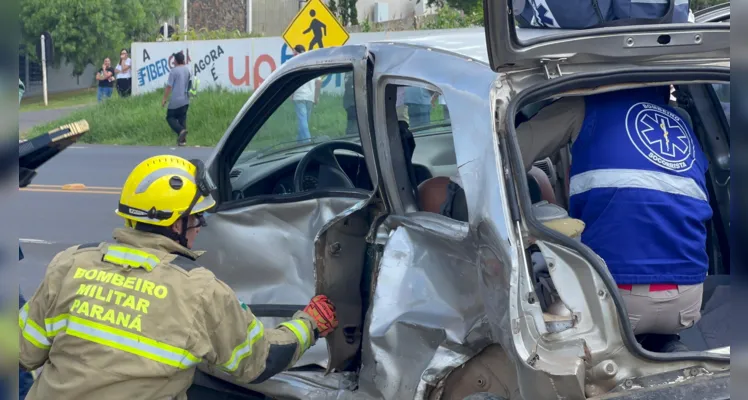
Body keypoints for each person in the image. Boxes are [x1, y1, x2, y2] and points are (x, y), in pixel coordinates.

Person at [19, 155, 339, 399]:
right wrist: (309, 324)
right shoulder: (199, 292)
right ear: (177, 225)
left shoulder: (71, 264)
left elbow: (21, 352)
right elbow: (258, 361)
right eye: (197, 219)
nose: (199, 228)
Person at [514, 86, 709, 351]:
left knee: (538, 273)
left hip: (615, 297)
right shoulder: (680, 123)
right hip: (689, 298)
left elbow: (508, 155)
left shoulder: (582, 106)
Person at [291, 45, 322, 142]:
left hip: (299, 96)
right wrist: (316, 97)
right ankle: (299, 144)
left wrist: (292, 95)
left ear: (296, 52)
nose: (293, 55)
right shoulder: (312, 64)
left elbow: (293, 81)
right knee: (304, 122)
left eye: (293, 53)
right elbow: (319, 81)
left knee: (303, 122)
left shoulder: (296, 64)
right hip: (310, 97)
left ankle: (307, 143)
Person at [162, 52, 191, 146]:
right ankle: (182, 141)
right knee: (182, 118)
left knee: (170, 117)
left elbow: (169, 86)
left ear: (176, 60)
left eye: (174, 59)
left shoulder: (174, 71)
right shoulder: (187, 70)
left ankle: (181, 130)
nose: (173, 61)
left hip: (176, 99)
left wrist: (164, 99)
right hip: (186, 98)